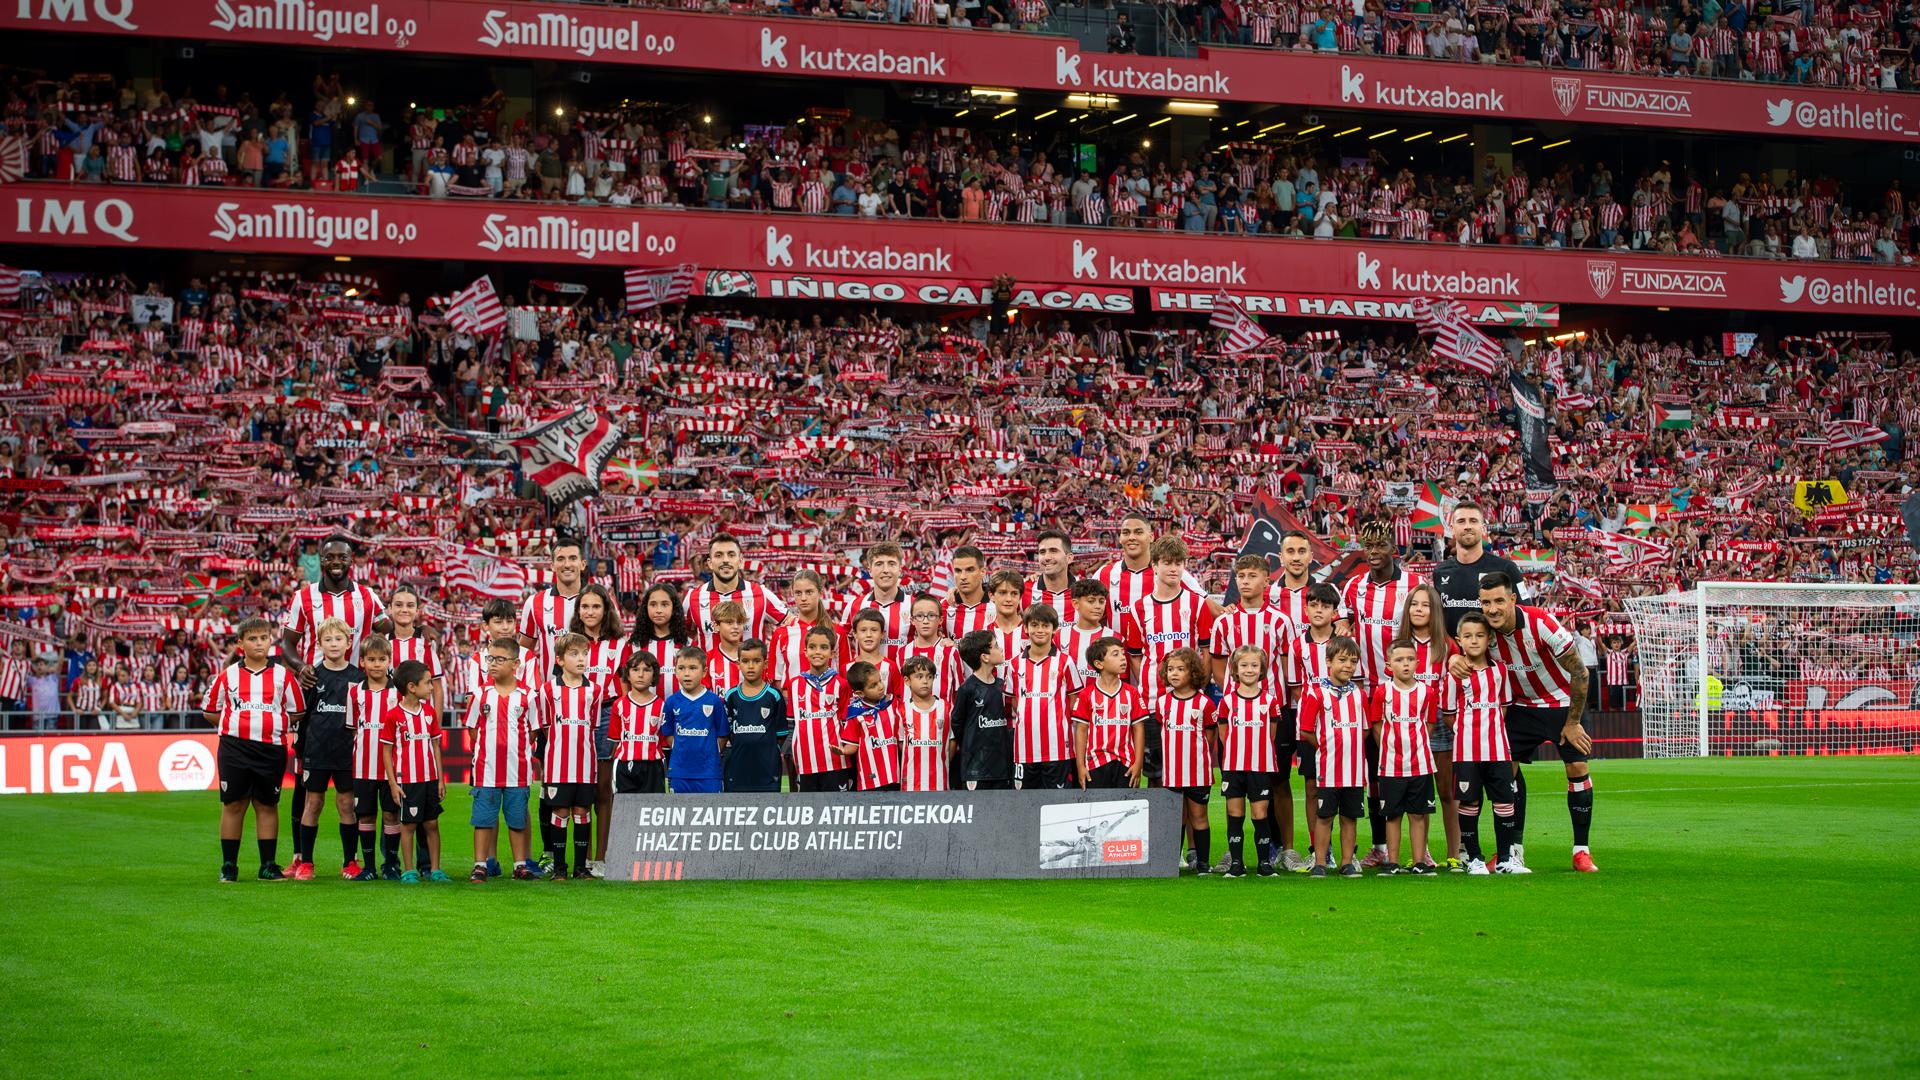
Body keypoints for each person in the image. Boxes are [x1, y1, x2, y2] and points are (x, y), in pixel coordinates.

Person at [1452, 573, 1597, 873]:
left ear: (1513, 599)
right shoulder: (1486, 630)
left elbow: (1581, 672)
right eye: (1486, 603)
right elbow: (1465, 644)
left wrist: (1572, 723)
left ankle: (1581, 850)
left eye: (1499, 601)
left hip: (1562, 702)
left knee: (1577, 767)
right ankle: (1512, 851)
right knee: (1507, 769)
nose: (1492, 609)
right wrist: (1454, 658)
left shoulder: (1541, 623)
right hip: (1520, 705)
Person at [203, 617, 306, 883]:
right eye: (252, 638)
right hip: (234, 748)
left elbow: (297, 711)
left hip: (271, 749)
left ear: (270, 641)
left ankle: (267, 865)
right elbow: (211, 711)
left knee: (267, 804)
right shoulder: (227, 676)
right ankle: (229, 866)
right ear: (240, 644)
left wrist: (273, 723)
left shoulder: (283, 676)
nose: (259, 643)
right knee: (233, 804)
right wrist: (236, 724)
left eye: (263, 638)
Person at [1344, 521, 1421, 869]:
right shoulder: (1354, 587)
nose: (1374, 552)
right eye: (1369, 546)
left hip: (1405, 692)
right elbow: (1343, 628)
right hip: (1366, 694)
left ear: (1395, 549)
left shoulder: (1414, 585)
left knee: (1412, 770)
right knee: (1375, 775)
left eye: (1381, 545)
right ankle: (1379, 846)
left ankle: (1420, 848)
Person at [1121, 535, 1216, 786]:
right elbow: (1135, 655)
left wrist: (1198, 686)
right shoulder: (1139, 608)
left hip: (1189, 702)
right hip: (1152, 704)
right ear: (1154, 565)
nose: (1174, 568)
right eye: (1167, 562)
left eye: (1178, 563)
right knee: (1156, 777)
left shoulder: (1196, 604)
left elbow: (1206, 651)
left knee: (1189, 775)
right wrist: (1149, 683)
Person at [1442, 613, 1520, 875]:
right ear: (1459, 640)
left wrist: (1491, 730)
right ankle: (1474, 859)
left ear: (1489, 639)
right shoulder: (1454, 675)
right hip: (1466, 752)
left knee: (1505, 802)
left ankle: (1505, 860)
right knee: (1469, 804)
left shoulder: (1500, 671)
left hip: (1498, 750)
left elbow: (1504, 707)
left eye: (1479, 635)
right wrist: (1467, 731)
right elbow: (1449, 714)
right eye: (1468, 636)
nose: (1474, 641)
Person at [289, 618, 362, 881]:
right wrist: (300, 748)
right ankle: (306, 862)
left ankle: (350, 861)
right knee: (313, 803)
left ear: (348, 643)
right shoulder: (312, 677)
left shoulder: (358, 678)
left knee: (346, 804)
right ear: (319, 644)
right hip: (316, 751)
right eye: (328, 640)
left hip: (346, 753)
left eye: (338, 639)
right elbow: (301, 715)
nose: (333, 644)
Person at [465, 636, 542, 883]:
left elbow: (533, 731)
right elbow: (472, 728)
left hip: (517, 771)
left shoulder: (528, 695)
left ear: (516, 664)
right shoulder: (480, 694)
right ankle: (480, 865)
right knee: (483, 820)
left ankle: (520, 865)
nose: (493, 664)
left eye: (500, 659)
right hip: (486, 770)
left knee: (517, 819)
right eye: (490, 659)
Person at [1395, 582, 1462, 869]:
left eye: (1425, 605)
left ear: (1435, 611)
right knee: (1417, 795)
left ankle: (1455, 854)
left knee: (1447, 792)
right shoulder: (1400, 645)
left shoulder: (1447, 646)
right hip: (1408, 725)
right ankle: (1421, 854)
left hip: (1441, 723)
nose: (1419, 609)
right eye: (1414, 604)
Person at [571, 583, 629, 872]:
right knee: (583, 788)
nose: (590, 611)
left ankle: (602, 858)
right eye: (585, 606)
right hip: (577, 713)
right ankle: (582, 857)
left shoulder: (620, 644)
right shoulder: (570, 643)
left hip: (608, 712)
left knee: (605, 789)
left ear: (606, 610)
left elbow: (626, 686)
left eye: (596, 606)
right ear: (578, 611)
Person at [1297, 635, 1366, 878]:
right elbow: (1306, 730)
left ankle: (1346, 862)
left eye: (1353, 661)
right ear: (1328, 662)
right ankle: (1320, 862)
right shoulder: (1317, 694)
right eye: (1342, 660)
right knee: (1324, 816)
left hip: (1354, 770)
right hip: (1328, 769)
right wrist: (1325, 747)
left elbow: (1365, 728)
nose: (1348, 666)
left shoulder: (1359, 694)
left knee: (1350, 817)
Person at [1370, 640, 1439, 874]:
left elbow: (1429, 724)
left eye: (1410, 659)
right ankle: (1393, 862)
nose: (1405, 664)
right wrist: (1390, 748)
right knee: (1392, 815)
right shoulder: (1382, 692)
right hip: (1391, 766)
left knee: (1418, 814)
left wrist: (1416, 746)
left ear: (1418, 663)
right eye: (1399, 660)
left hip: (1420, 765)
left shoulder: (1427, 692)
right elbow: (1377, 725)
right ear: (1389, 665)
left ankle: (1419, 862)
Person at [539, 633, 604, 879]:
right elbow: (547, 726)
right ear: (559, 660)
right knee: (560, 812)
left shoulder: (594, 690)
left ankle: (580, 868)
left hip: (585, 764)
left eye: (585, 654)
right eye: (574, 654)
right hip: (557, 765)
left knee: (582, 811)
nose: (581, 659)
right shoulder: (548, 689)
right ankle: (559, 869)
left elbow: (593, 726)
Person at [280, 534, 387, 679]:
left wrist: (416, 626)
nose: (336, 562)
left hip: (357, 683)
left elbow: (389, 629)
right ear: (322, 560)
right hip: (315, 683)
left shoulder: (367, 595)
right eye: (330, 557)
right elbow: (287, 642)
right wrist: (301, 667)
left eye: (342, 557)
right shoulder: (302, 597)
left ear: (351, 561)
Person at [380, 660, 448, 883]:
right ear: (411, 687)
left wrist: (440, 779)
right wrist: (393, 783)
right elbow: (387, 751)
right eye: (427, 683)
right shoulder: (393, 716)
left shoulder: (429, 712)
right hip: (408, 780)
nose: (431, 687)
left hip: (430, 779)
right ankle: (409, 871)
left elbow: (436, 745)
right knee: (408, 825)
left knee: (432, 824)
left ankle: (435, 870)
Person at [1218, 645, 1282, 877]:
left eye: (1254, 665)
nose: (1249, 669)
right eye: (1244, 665)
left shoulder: (1270, 701)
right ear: (1235, 669)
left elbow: (1271, 734)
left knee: (1260, 814)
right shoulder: (1227, 701)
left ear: (1262, 669)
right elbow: (1224, 734)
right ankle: (1236, 863)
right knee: (1235, 814)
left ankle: (1264, 863)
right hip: (1234, 767)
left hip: (1260, 766)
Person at [1154, 648, 1216, 873]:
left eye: (1180, 669)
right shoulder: (1162, 703)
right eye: (1170, 669)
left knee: (1199, 816)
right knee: (1175, 817)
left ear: (1193, 672)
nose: (1174, 673)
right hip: (1172, 772)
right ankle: (1172, 862)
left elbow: (1209, 738)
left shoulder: (1205, 703)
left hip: (1198, 772)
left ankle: (1203, 864)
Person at [1009, 602, 1082, 790]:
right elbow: (1014, 700)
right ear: (1026, 628)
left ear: (1054, 629)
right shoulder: (1015, 664)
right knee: (1025, 800)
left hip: (1058, 748)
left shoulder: (1065, 661)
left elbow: (1073, 699)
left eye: (1045, 625)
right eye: (1034, 625)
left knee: (1059, 802)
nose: (1040, 630)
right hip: (1024, 749)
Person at [344, 634, 399, 880]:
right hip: (363, 767)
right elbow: (353, 728)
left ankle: (391, 865)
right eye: (371, 659)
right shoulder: (355, 692)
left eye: (381, 659)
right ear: (362, 662)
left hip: (391, 768)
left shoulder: (398, 692)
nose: (377, 664)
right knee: (365, 815)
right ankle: (368, 867)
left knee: (390, 815)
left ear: (389, 660)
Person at [1432, 502, 1525, 635]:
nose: (1467, 526)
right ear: (1452, 529)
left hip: (1495, 648)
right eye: (1461, 521)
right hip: (1451, 648)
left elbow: (1526, 615)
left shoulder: (1507, 568)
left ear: (1483, 528)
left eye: (1473, 521)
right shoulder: (1440, 572)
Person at [1071, 637, 1147, 789]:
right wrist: (1080, 766)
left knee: (1125, 803)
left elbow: (1138, 729)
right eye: (1115, 654)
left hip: (1125, 762)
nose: (1123, 658)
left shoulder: (1132, 693)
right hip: (1095, 763)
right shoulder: (1087, 694)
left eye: (1123, 653)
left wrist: (1138, 763)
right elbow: (1081, 730)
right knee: (1099, 803)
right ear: (1099, 664)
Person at [690, 534, 787, 649]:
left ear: (740, 561)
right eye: (719, 555)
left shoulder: (761, 593)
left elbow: (791, 624)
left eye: (731, 555)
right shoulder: (693, 597)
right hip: (709, 661)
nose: (725, 560)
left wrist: (775, 653)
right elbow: (684, 633)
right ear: (710, 563)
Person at [786, 626, 853, 792]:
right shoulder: (794, 684)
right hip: (805, 761)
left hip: (835, 761)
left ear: (832, 653)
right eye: (812, 647)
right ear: (805, 652)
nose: (817, 652)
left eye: (824, 647)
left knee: (836, 806)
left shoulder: (841, 684)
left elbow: (846, 723)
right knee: (809, 807)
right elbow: (792, 724)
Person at [949, 629, 1013, 790]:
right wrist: (971, 743)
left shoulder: (1002, 686)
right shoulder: (967, 689)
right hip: (975, 770)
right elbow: (957, 723)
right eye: (996, 646)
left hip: (1002, 768)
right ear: (985, 657)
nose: (1001, 649)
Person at [722, 640, 788, 793]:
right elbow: (728, 731)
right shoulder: (731, 696)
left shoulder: (774, 696)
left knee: (768, 806)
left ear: (765, 664)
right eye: (745, 661)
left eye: (756, 661)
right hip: (738, 767)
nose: (750, 666)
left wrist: (765, 747)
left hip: (767, 768)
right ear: (738, 664)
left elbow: (781, 734)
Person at [519, 536, 590, 674]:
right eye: (561, 559)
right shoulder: (534, 602)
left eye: (573, 558)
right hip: (549, 686)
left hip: (592, 686)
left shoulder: (602, 600)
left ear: (583, 564)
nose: (567, 564)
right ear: (552, 565)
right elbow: (524, 653)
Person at [662, 649, 729, 794]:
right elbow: (668, 733)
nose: (686, 673)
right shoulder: (671, 702)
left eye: (692, 668)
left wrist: (711, 752)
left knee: (712, 808)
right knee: (679, 808)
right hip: (680, 773)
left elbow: (723, 734)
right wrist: (681, 749)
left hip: (709, 774)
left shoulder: (714, 701)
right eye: (681, 668)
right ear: (675, 671)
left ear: (704, 672)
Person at [837, 662, 900, 791]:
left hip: (895, 772)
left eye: (880, 681)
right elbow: (853, 744)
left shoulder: (894, 703)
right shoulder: (855, 712)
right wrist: (843, 751)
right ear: (860, 693)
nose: (880, 686)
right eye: (873, 685)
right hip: (870, 775)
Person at [609, 652, 667, 794]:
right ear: (628, 675)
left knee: (653, 806)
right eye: (635, 670)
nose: (641, 675)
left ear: (654, 676)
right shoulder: (619, 704)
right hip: (625, 765)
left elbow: (664, 740)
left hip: (653, 765)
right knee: (624, 805)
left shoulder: (662, 705)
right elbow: (615, 741)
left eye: (646, 670)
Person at [893, 655, 951, 792]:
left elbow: (951, 742)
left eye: (929, 677)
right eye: (919, 677)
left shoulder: (946, 708)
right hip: (911, 784)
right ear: (907, 681)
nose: (925, 681)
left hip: (939, 783)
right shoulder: (901, 710)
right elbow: (901, 744)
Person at [901, 593, 962, 699]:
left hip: (945, 710)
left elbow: (960, 692)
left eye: (931, 616)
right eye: (920, 616)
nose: (925, 621)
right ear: (912, 620)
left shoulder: (951, 652)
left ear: (940, 620)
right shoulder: (902, 653)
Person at [1057, 580, 1111, 684]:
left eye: (1101, 601)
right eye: (1091, 601)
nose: (1098, 606)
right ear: (1076, 603)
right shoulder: (1060, 636)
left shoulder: (1114, 637)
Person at [943, 545, 993, 640]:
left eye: (970, 570)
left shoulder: (998, 606)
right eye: (958, 571)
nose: (963, 577)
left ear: (983, 572)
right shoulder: (942, 607)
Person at [1024, 529, 1077, 614]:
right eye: (1042, 552)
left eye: (1053, 551)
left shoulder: (1084, 591)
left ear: (1069, 558)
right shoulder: (1024, 590)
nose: (1047, 557)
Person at [707, 601, 748, 695]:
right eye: (729, 622)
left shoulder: (752, 655)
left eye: (739, 622)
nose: (735, 626)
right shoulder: (708, 659)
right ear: (716, 626)